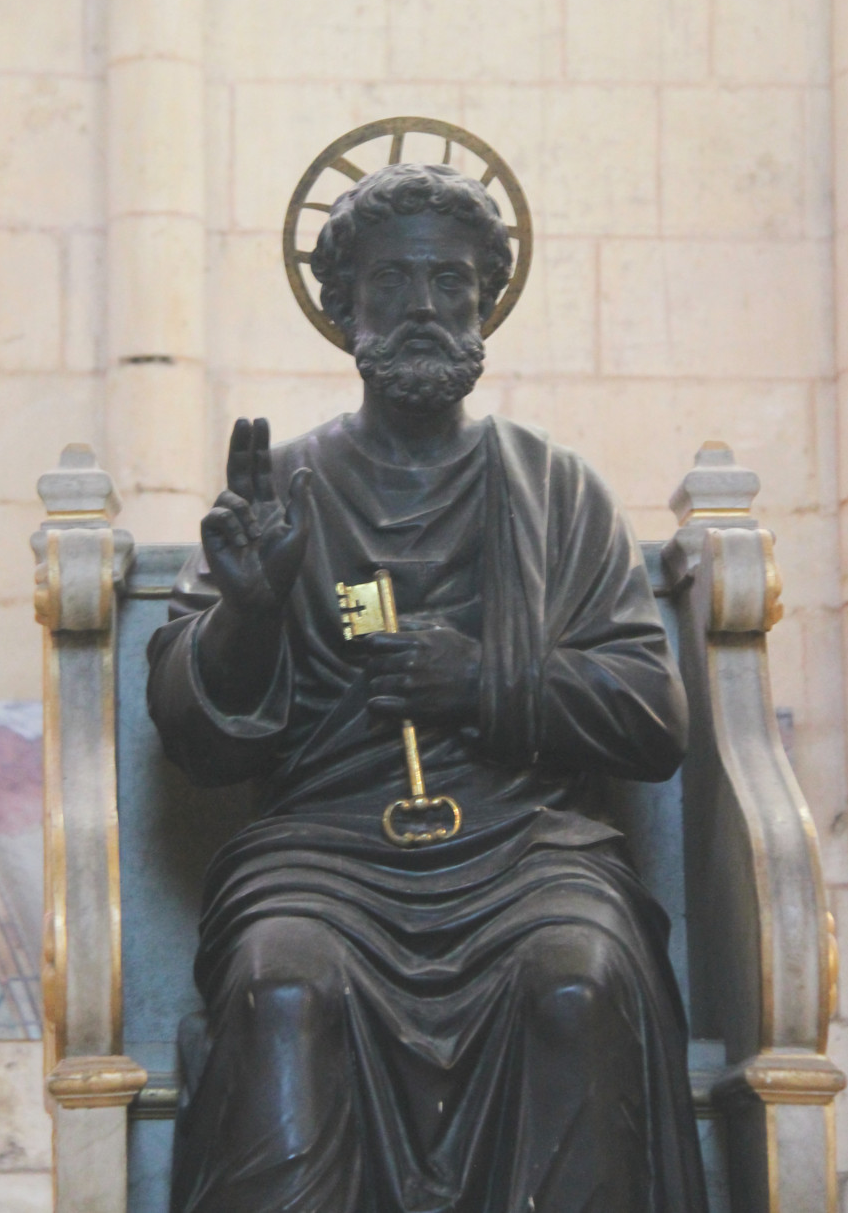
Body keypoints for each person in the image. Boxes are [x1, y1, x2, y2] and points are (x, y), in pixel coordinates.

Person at [147, 162, 709, 1213]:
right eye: (391, 283)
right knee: (282, 986)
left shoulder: (560, 489)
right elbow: (203, 743)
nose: (421, 309)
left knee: (576, 981)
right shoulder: (279, 494)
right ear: (339, 304)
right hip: (326, 853)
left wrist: (487, 681)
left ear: (485, 301)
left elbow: (653, 719)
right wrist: (250, 611)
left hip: (525, 849)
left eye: (449, 284)